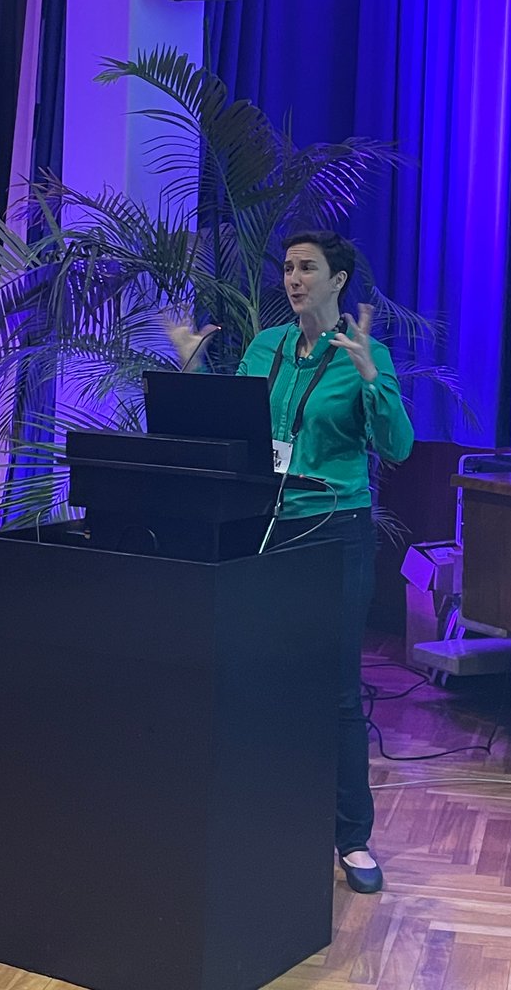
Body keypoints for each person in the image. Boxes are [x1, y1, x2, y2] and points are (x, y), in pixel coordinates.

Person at [164, 230, 414, 893]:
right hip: (265, 530)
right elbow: (235, 430)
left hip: (335, 532)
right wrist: (191, 371)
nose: (294, 278)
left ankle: (352, 839)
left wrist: (370, 381)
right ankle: (266, 815)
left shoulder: (367, 355)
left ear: (338, 280)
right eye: (288, 267)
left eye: (309, 268)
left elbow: (398, 445)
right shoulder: (265, 348)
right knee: (259, 675)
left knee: (333, 689)